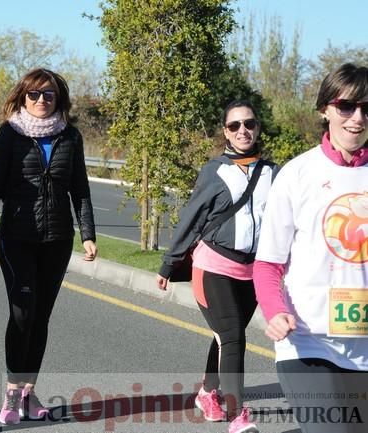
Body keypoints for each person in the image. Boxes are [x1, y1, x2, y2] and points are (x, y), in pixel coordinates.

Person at [0, 68, 98, 425]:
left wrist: (87, 233)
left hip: (57, 240)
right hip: (16, 238)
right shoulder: (9, 134)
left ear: (59, 98)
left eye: (48, 95)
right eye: (34, 94)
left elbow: (80, 189)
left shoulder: (70, 137)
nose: (41, 100)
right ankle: (12, 393)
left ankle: (28, 393)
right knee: (22, 313)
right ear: (23, 96)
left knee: (41, 317)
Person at [253, 63, 368, 433]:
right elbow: (268, 263)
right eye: (346, 106)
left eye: (367, 108)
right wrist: (274, 310)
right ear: (325, 109)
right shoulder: (297, 174)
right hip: (308, 341)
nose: (357, 118)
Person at [156, 100, 279, 433]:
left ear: (258, 127)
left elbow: (285, 223)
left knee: (226, 334)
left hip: (252, 272)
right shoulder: (215, 170)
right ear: (225, 131)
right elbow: (192, 218)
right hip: (213, 266)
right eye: (235, 125)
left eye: (249, 124)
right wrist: (168, 264)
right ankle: (238, 415)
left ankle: (208, 392)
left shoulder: (273, 173)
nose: (243, 131)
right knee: (233, 335)